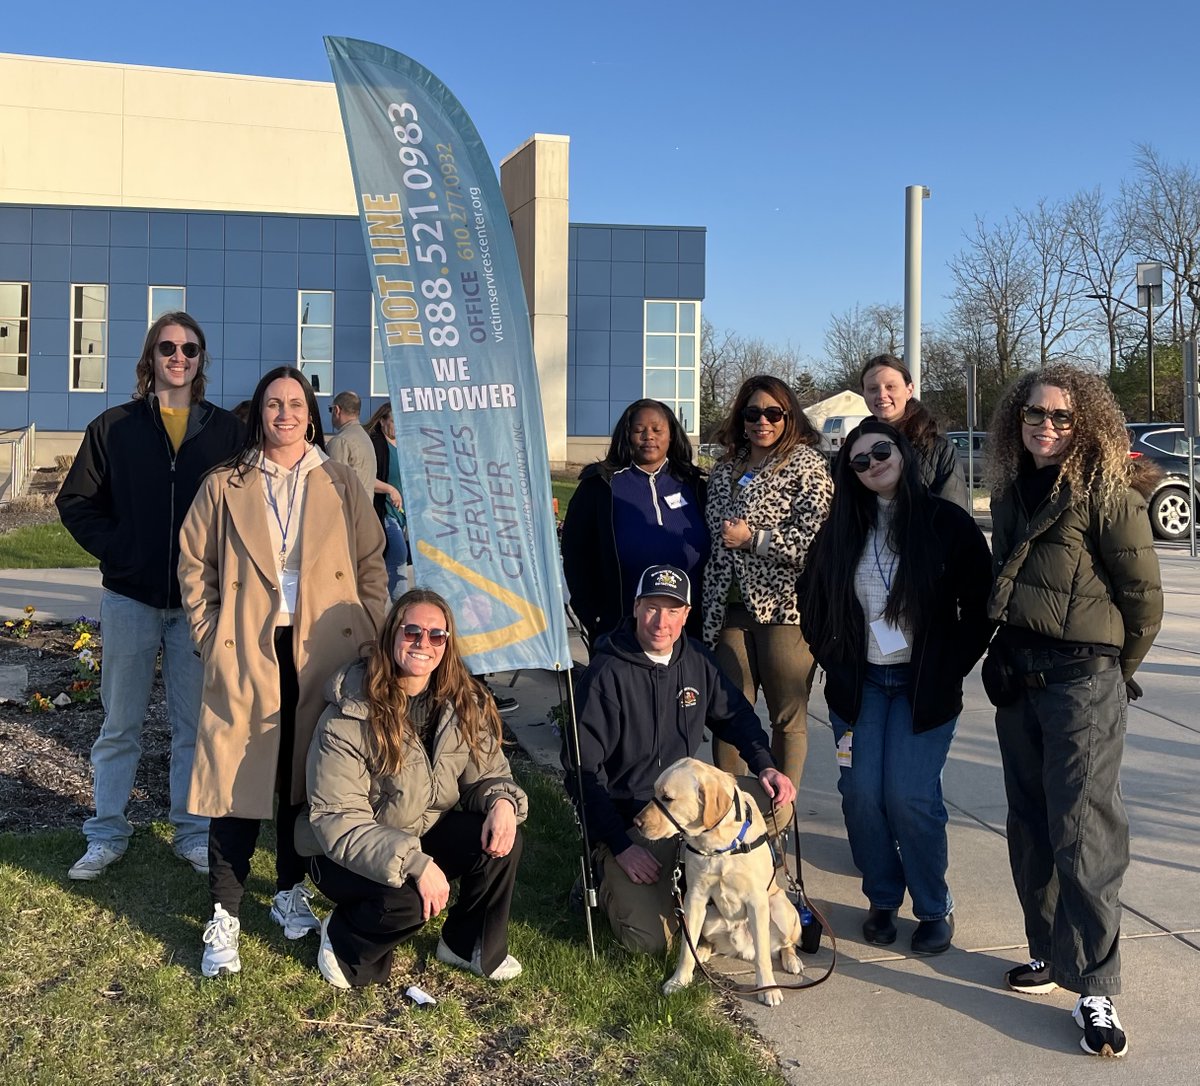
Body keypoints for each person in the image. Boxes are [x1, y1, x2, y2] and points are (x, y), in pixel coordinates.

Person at [178, 365, 388, 978]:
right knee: (234, 783)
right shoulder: (225, 484)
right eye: (274, 404)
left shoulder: (341, 482)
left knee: (304, 779)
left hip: (326, 650)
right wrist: (210, 635)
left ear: (312, 415)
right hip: (247, 648)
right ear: (260, 412)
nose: (285, 414)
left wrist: (368, 632)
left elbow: (372, 562)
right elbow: (194, 563)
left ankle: (290, 891)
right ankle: (225, 912)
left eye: (296, 404)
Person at [984, 365, 1162, 1059]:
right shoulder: (1010, 492)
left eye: (1062, 416)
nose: (1047, 426)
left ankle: (1094, 985)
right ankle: (1050, 952)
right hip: (1020, 683)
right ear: (1017, 419)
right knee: (1030, 825)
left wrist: (1113, 674)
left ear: (1086, 422)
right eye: (1035, 413)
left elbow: (1143, 601)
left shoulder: (1107, 494)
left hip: (1083, 682)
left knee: (1085, 833)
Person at [56, 311, 243, 880]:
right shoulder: (113, 427)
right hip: (130, 599)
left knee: (193, 728)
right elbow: (76, 501)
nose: (178, 357)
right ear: (150, 357)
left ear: (201, 359)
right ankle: (106, 833)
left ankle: (191, 832)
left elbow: (247, 511)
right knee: (120, 726)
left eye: (189, 348)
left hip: (196, 606)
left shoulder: (226, 432)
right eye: (167, 348)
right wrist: (120, 549)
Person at [798, 420, 993, 955]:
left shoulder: (945, 522)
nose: (873, 464)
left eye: (880, 451)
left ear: (902, 452)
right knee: (861, 795)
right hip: (860, 686)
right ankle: (882, 898)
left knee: (909, 797)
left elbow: (981, 605)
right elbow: (811, 597)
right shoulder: (841, 528)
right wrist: (833, 656)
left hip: (921, 686)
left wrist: (951, 665)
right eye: (859, 461)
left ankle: (933, 907)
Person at [298, 589, 528, 987]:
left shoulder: (464, 701)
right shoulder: (349, 712)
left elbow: (488, 774)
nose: (424, 643)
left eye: (437, 635)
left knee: (501, 840)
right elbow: (339, 820)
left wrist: (502, 802)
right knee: (406, 901)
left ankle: (465, 944)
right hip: (339, 851)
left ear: (447, 644)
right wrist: (416, 864)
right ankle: (343, 937)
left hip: (420, 832)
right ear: (391, 634)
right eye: (412, 632)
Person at [565, 563, 797, 954]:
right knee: (651, 942)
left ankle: (746, 883)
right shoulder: (605, 674)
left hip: (685, 812)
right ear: (636, 608)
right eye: (652, 608)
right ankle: (601, 875)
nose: (662, 622)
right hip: (634, 824)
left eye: (673, 610)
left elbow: (736, 717)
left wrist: (766, 765)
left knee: (776, 805)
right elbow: (580, 772)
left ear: (686, 614)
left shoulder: (697, 661)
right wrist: (620, 845)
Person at [701, 375, 833, 793]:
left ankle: (778, 816)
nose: (763, 421)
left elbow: (815, 541)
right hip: (727, 610)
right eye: (753, 413)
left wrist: (754, 539)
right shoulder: (724, 469)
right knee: (730, 715)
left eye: (774, 413)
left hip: (783, 610)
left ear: (789, 416)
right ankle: (730, 815)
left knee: (786, 718)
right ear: (741, 419)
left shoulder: (806, 465)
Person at [561, 398, 709, 648]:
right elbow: (576, 553)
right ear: (627, 435)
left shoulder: (694, 485)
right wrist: (590, 613)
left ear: (672, 435)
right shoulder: (600, 485)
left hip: (690, 629)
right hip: (619, 626)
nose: (648, 436)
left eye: (657, 430)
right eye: (639, 430)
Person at [859, 354, 969, 510]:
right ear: (863, 393)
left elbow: (954, 515)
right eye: (873, 389)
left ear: (909, 390)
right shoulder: (855, 449)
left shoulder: (938, 448)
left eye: (890, 387)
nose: (882, 395)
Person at [364, 401, 410, 602]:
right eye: (393, 421)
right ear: (382, 421)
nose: (397, 426)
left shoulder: (404, 445)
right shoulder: (375, 444)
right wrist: (390, 489)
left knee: (397, 558)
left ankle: (383, 599)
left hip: (403, 514)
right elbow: (366, 478)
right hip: (384, 511)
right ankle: (401, 605)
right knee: (399, 553)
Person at [326, 390, 377, 499]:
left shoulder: (341, 441)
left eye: (331, 409)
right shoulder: (365, 438)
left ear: (337, 410)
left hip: (348, 508)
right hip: (366, 506)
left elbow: (335, 484)